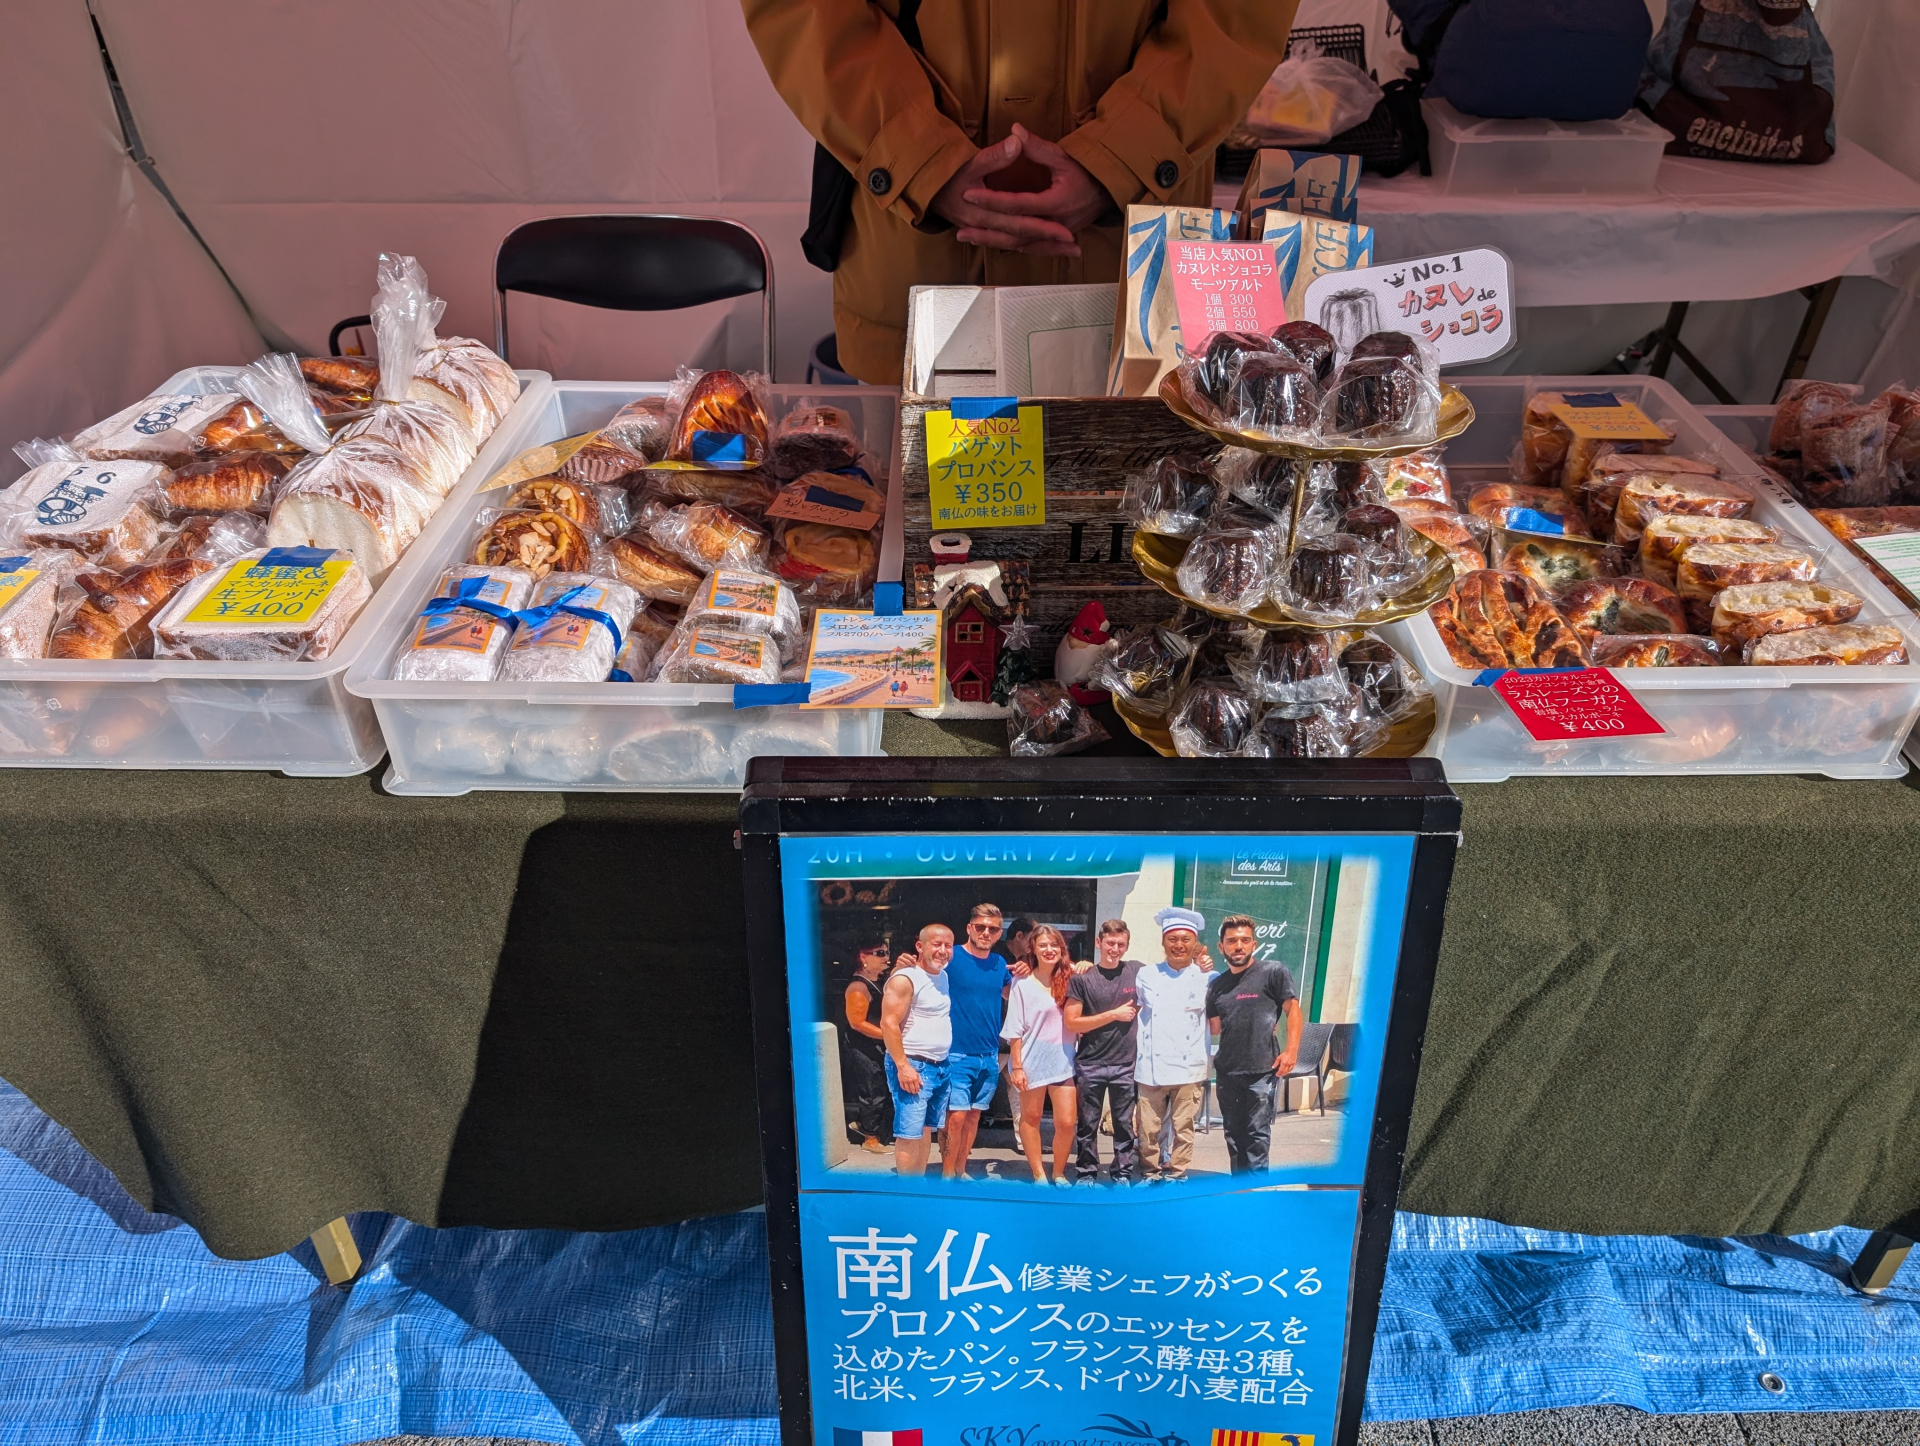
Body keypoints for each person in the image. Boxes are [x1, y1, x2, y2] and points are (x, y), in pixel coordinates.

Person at [740, 1, 1296, 384]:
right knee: (917, 514)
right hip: (922, 258)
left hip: (1128, 261)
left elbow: (1235, 18)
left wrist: (1123, 158)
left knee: (1141, 511)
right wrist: (919, 161)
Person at [1206, 914, 1302, 1173]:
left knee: (1257, 1136)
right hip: (1227, 1072)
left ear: (1254, 944)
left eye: (1245, 940)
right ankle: (1240, 1189)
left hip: (1261, 1070)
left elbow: (1293, 1010)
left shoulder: (1273, 972)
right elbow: (1214, 1027)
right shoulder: (1216, 986)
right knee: (1233, 1136)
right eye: (1231, 941)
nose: (1238, 946)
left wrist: (1291, 1050)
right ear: (1221, 947)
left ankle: (1256, 1190)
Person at [1134, 906, 1213, 1183]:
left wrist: (1206, 962)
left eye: (1185, 939)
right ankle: (1149, 1172)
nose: (1179, 945)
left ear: (1195, 943)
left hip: (1189, 1067)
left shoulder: (1209, 978)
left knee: (1184, 1128)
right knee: (1148, 1128)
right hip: (1151, 1067)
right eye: (1173, 939)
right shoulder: (1146, 975)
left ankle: (1178, 1174)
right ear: (1163, 941)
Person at [1064, 919, 1143, 1185]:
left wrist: (1201, 962)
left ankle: (1122, 1174)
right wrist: (1114, 1015)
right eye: (1110, 943)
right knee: (1087, 1124)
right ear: (1098, 942)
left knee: (1124, 1124)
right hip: (1091, 1062)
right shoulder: (1083, 978)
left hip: (1126, 1063)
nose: (1115, 949)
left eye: (1121, 944)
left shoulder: (1136, 971)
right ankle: (1086, 1173)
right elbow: (1072, 1023)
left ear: (1127, 945)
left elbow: (1168, 976)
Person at [940, 902, 1015, 1180]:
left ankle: (960, 1170)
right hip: (956, 1053)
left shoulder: (999, 964)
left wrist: (1028, 973)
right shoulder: (951, 957)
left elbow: (1016, 996)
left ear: (999, 933)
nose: (986, 933)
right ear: (969, 928)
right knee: (955, 1117)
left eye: (993, 929)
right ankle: (947, 1175)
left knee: (973, 1117)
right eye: (981, 927)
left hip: (989, 1055)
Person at [1003, 925, 1078, 1187]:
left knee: (1066, 1123)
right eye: (1043, 945)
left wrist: (1087, 964)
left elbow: (1092, 970)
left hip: (1063, 1063)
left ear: (1061, 948)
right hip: (1030, 1062)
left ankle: (1058, 1172)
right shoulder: (1022, 983)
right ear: (1033, 949)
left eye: (1054, 945)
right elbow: (1014, 1029)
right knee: (1031, 1119)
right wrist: (1018, 1067)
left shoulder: (1071, 978)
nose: (1049, 950)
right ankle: (1039, 1174)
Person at [879, 923, 954, 1177]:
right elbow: (888, 1023)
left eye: (948, 945)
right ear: (920, 946)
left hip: (940, 1066)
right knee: (909, 1134)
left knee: (924, 1131)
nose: (943, 950)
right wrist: (903, 1067)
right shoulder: (905, 978)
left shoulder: (942, 976)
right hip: (913, 1065)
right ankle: (906, 1191)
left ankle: (917, 1187)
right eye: (936, 944)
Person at [839, 938, 895, 1154]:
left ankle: (868, 1127)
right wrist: (888, 1036)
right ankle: (870, 1139)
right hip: (863, 1047)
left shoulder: (875, 982)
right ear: (863, 957)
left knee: (879, 1088)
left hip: (875, 1046)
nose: (886, 957)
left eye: (886, 952)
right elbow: (856, 1022)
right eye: (879, 953)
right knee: (873, 1090)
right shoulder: (858, 986)